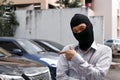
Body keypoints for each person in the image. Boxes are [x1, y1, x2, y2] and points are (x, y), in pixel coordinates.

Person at [56, 14, 112, 80]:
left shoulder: (104, 51)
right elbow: (60, 77)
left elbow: (98, 76)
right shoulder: (68, 50)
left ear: (90, 27)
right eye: (75, 31)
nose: (79, 33)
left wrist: (76, 59)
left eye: (82, 28)